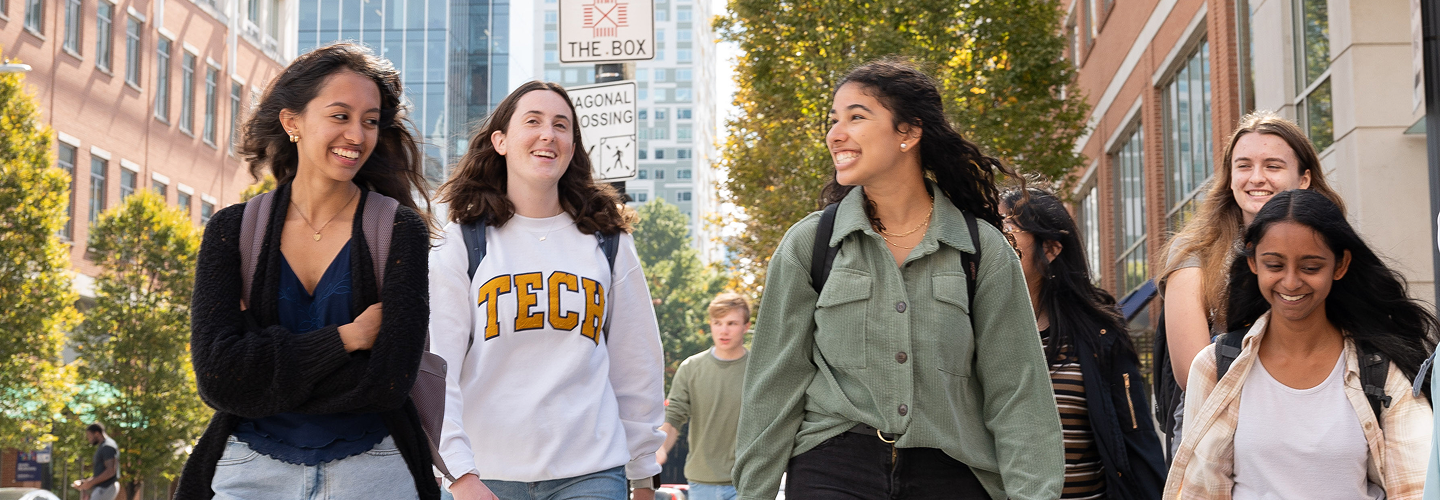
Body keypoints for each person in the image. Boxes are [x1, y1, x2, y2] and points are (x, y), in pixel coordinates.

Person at [733, 58, 1064, 500]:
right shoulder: (809, 245)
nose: (836, 134)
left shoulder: (981, 250)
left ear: (908, 132)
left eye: (856, 117)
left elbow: (1019, 393)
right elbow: (772, 387)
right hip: (831, 470)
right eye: (834, 120)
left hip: (950, 474)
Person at [177, 42, 438, 499]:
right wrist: (347, 339)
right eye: (340, 116)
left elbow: (388, 382)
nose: (357, 135)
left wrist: (261, 368)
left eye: (370, 120)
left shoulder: (398, 230)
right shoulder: (232, 231)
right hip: (250, 472)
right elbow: (219, 379)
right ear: (292, 121)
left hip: (373, 472)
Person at [429, 81, 665, 500]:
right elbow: (435, 368)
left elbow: (637, 365)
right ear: (500, 141)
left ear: (572, 146)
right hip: (486, 477)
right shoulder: (461, 243)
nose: (548, 135)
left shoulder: (608, 243)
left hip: (591, 475)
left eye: (561, 125)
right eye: (533, 121)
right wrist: (459, 474)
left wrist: (643, 474)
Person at [1164, 189, 1435, 499]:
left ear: (1340, 265)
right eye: (1275, 265)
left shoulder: (1381, 369)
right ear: (1253, 261)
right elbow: (1202, 491)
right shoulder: (1215, 366)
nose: (1291, 282)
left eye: (1310, 267)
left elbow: (1417, 489)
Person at [1153, 110, 1347, 456]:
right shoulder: (1194, 258)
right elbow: (1195, 378)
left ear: (1303, 179)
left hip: (1326, 426)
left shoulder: (1335, 250)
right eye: (1244, 166)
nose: (1257, 178)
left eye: (1273, 166)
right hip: (1220, 438)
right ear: (1229, 178)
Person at [999, 188, 1167, 500]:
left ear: (1050, 248)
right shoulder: (979, 329)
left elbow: (1135, 435)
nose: (996, 239)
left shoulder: (1099, 334)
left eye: (1007, 228)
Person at [657, 292, 751, 500]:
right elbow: (674, 416)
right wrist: (661, 448)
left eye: (732, 323)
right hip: (702, 484)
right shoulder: (691, 368)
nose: (723, 330)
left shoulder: (759, 369)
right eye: (717, 323)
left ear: (745, 326)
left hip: (748, 483)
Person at [72, 423, 119, 500]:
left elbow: (110, 471)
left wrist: (90, 483)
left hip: (106, 487)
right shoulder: (105, 445)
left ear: (97, 433)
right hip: (104, 488)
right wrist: (86, 482)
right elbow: (101, 472)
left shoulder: (107, 446)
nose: (88, 439)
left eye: (89, 436)